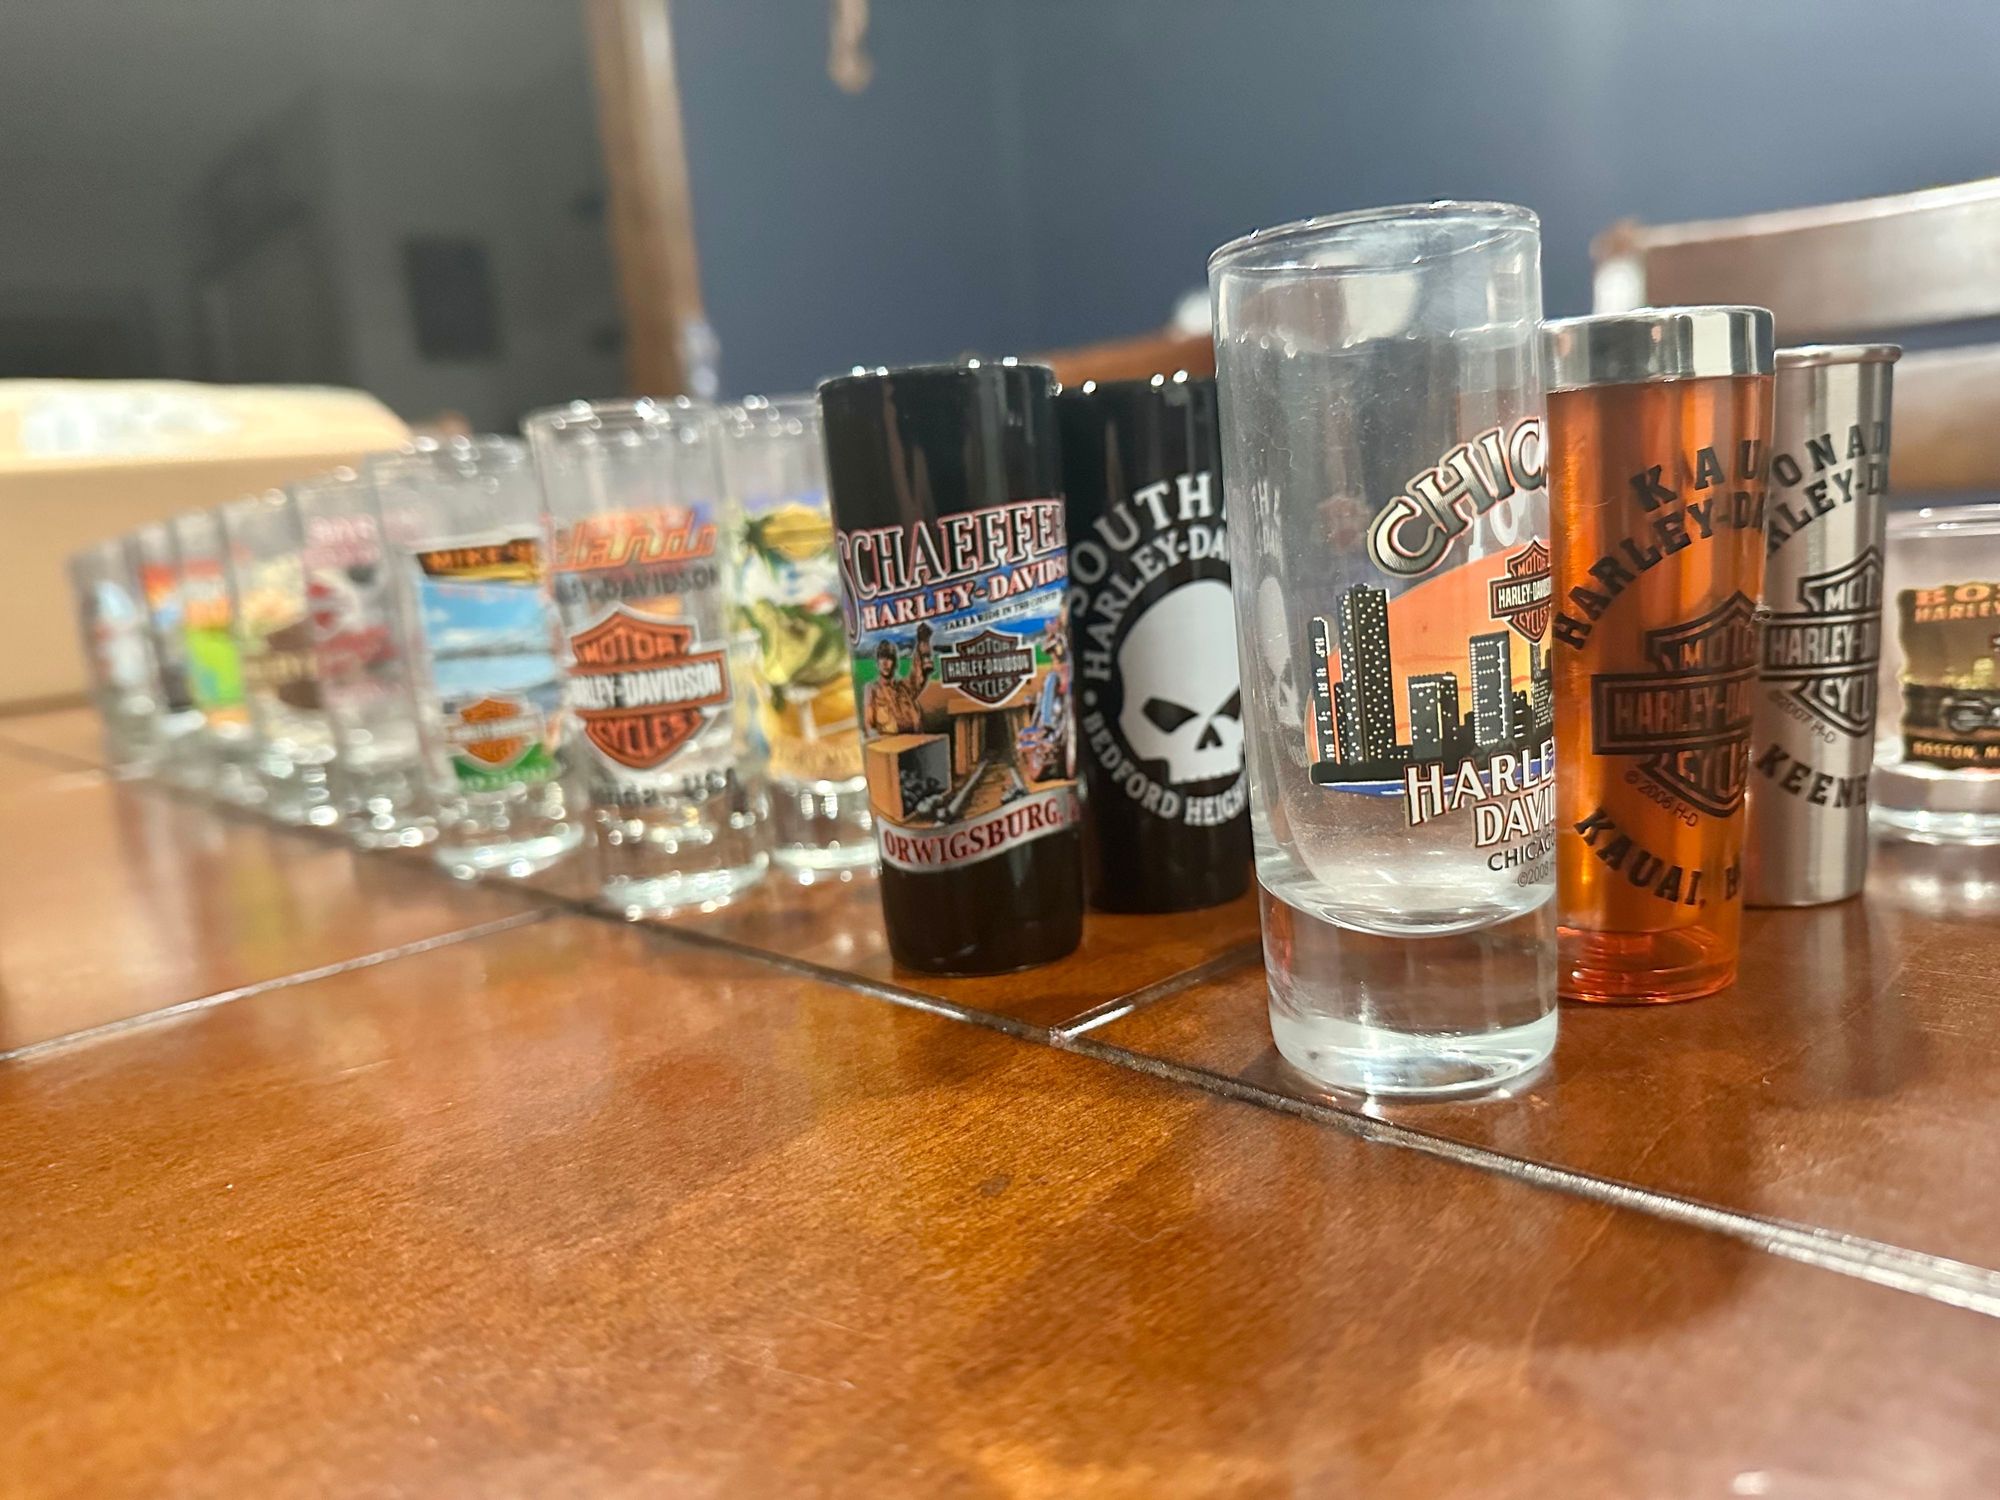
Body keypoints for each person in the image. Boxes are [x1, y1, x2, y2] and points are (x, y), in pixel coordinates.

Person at [864, 623, 932, 735]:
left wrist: (922, 642)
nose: (885, 663)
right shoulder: (872, 689)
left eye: (889, 658)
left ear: (895, 663)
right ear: (877, 663)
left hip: (916, 740)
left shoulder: (903, 687)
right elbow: (869, 725)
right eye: (882, 658)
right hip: (890, 742)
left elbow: (917, 675)